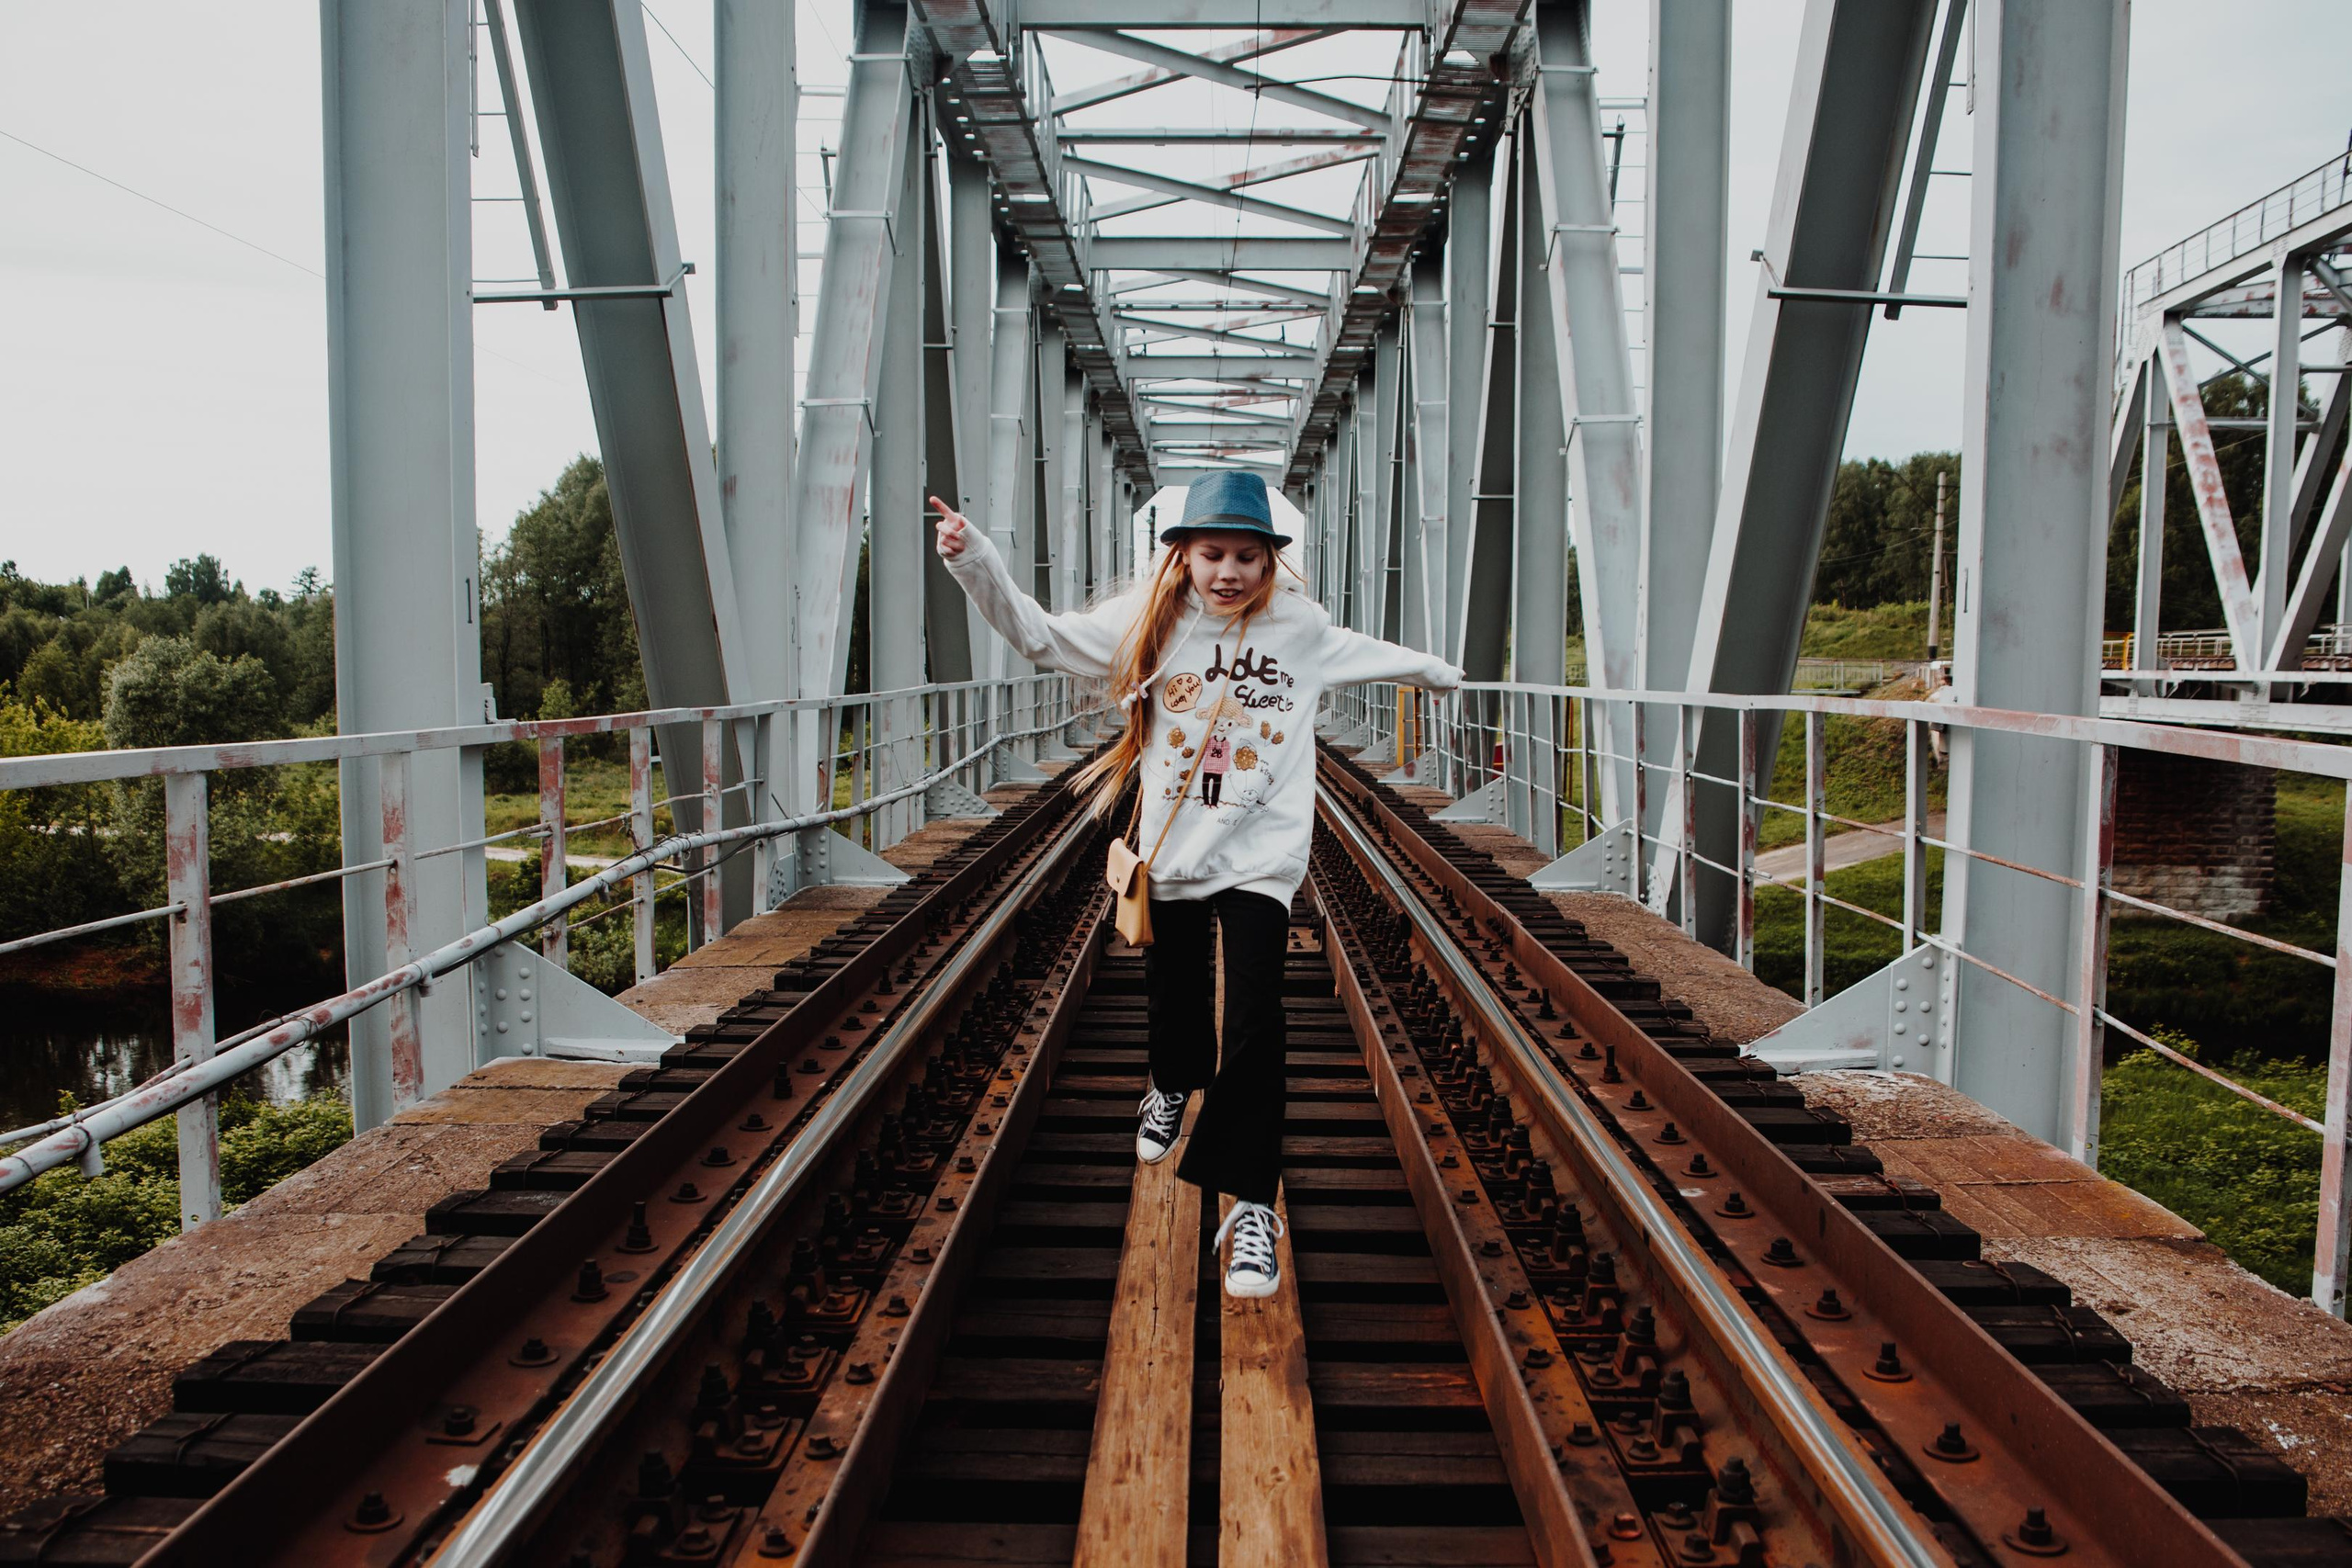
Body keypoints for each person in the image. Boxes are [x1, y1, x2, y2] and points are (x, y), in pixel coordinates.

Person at [931, 470, 1463, 1300]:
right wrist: (977, 562)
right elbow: (1039, 638)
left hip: (1262, 856)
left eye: (1248, 556)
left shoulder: (1299, 625)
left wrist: (1435, 670)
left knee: (1258, 1021)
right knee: (1175, 1000)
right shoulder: (1148, 625)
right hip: (1175, 849)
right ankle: (1171, 1085)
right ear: (1180, 554)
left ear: (1270, 562)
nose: (1229, 571)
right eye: (1212, 552)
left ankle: (1252, 1205)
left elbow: (1367, 653)